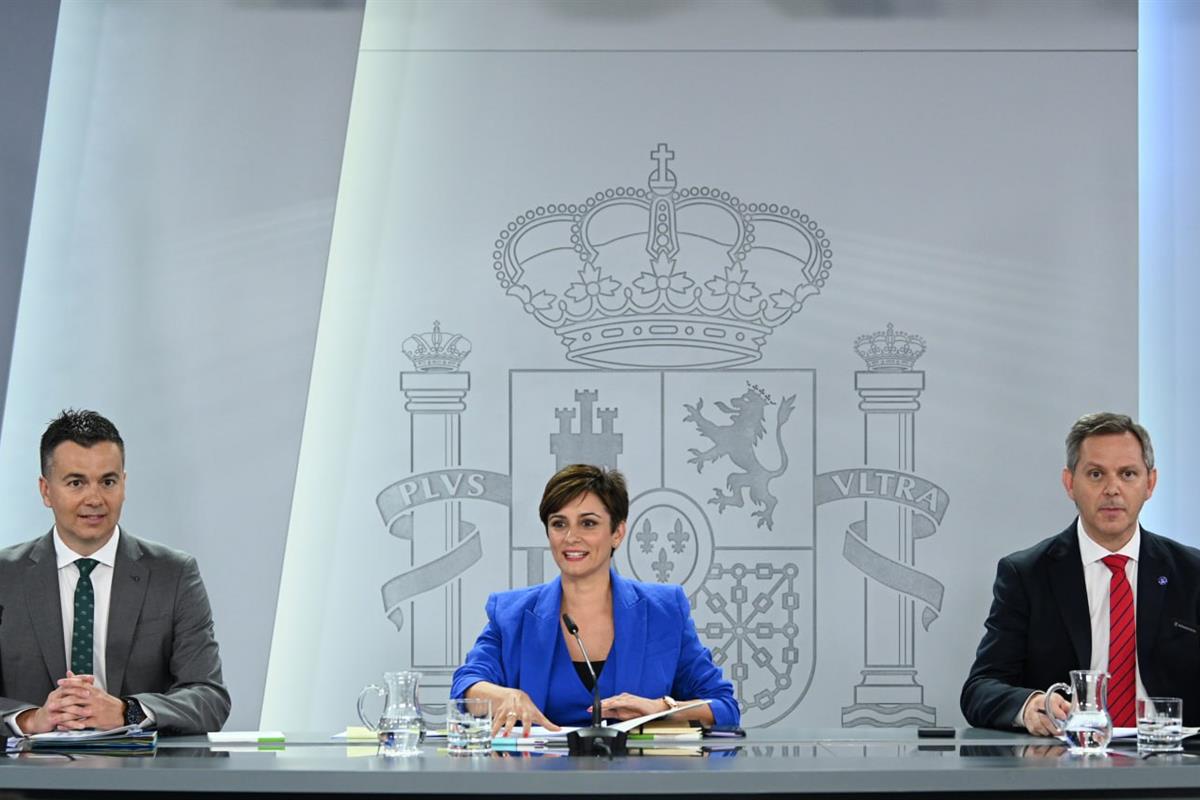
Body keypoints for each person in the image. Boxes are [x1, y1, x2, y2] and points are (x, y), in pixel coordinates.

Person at [451, 464, 740, 737]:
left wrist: (661, 710)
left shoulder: (664, 611)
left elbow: (724, 707)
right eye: (559, 524)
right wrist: (506, 696)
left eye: (588, 523)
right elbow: (465, 689)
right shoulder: (511, 614)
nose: (571, 537)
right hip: (536, 783)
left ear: (617, 532)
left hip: (639, 784)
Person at [961, 412, 1200, 733]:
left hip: (1174, 765)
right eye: (1096, 474)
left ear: (1150, 483)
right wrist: (1029, 705)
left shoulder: (1191, 572)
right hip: (1066, 765)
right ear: (1070, 483)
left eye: (1128, 474)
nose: (1112, 489)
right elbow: (980, 688)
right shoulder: (1027, 574)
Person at [0, 410, 230, 736]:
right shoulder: (4, 578)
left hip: (140, 778)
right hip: (25, 780)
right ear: (46, 490)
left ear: (124, 484)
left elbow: (209, 697)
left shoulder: (174, 575)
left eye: (107, 482)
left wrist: (128, 711)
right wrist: (29, 720)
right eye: (76, 482)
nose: (94, 499)